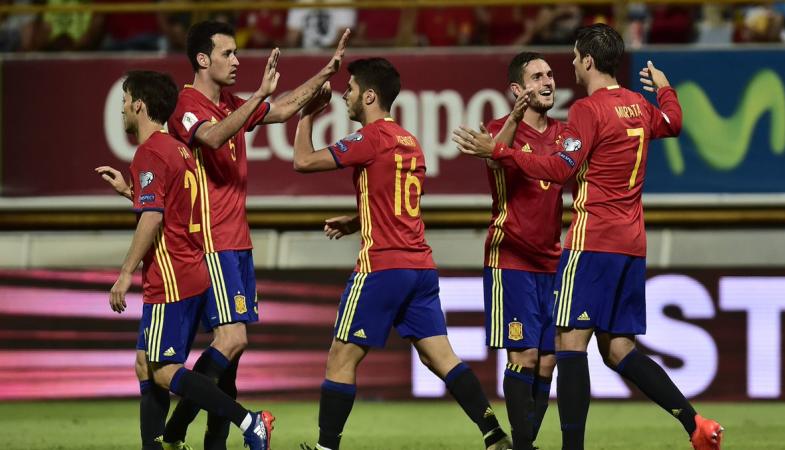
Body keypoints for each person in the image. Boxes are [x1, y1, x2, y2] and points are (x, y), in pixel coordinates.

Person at [454, 23, 724, 450]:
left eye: (575, 57)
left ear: (589, 61)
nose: (570, 66)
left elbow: (560, 169)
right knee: (619, 349)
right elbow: (672, 122)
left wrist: (502, 152)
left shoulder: (585, 110)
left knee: (568, 344)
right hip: (633, 245)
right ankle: (695, 423)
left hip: (591, 240)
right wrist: (666, 87)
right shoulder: (638, 104)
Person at [290, 57, 512, 450]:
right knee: (441, 358)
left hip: (382, 266)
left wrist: (307, 115)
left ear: (370, 95)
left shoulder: (371, 137)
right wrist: (357, 219)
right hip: (420, 267)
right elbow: (398, 204)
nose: (346, 94)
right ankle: (493, 433)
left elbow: (303, 161)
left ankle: (325, 448)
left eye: (352, 88)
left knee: (340, 359)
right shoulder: (410, 141)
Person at [158, 20, 350, 449]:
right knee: (233, 339)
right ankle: (179, 432)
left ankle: (211, 441)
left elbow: (281, 109)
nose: (237, 60)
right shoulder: (185, 104)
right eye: (228, 53)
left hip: (237, 242)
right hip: (210, 241)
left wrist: (325, 72)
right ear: (202, 59)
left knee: (232, 358)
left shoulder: (229, 102)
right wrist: (259, 97)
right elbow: (210, 137)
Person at [100, 70, 273, 450]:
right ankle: (160, 445)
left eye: (125, 101)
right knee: (146, 363)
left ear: (140, 105)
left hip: (169, 278)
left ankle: (248, 420)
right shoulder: (178, 150)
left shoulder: (149, 153)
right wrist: (130, 192)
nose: (123, 108)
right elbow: (171, 209)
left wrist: (125, 272)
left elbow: (154, 217)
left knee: (163, 371)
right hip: (192, 271)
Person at [483, 52, 563, 450]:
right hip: (511, 258)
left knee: (548, 360)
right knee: (525, 355)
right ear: (518, 89)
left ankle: (523, 445)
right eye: (537, 76)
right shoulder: (500, 129)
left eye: (550, 74)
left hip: (553, 260)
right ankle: (524, 446)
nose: (549, 80)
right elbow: (493, 157)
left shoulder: (565, 134)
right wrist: (514, 119)